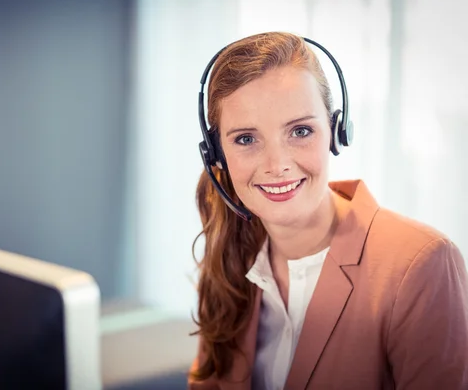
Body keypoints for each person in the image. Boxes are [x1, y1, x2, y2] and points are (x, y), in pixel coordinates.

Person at [187, 32, 468, 390]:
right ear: (217, 155)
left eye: (300, 131)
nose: (277, 165)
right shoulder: (229, 256)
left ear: (336, 132)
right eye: (246, 139)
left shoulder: (420, 265)